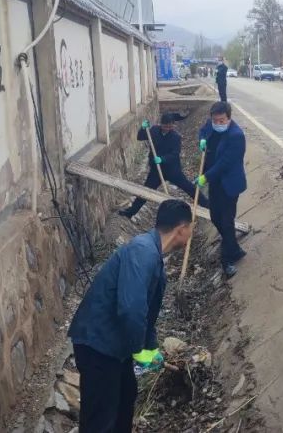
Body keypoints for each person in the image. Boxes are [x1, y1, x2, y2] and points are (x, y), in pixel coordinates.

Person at [69, 199, 193, 432]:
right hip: (98, 343)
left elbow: (147, 311)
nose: (191, 235)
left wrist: (151, 348)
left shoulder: (153, 255)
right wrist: (139, 350)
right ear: (181, 229)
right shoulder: (142, 252)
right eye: (191, 229)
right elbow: (132, 308)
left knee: (125, 399)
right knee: (101, 418)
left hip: (115, 345)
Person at [119, 113, 208, 219]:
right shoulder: (154, 130)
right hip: (156, 170)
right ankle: (131, 212)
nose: (167, 128)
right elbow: (140, 137)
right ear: (161, 124)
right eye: (165, 126)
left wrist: (162, 159)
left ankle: (208, 206)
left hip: (173, 170)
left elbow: (175, 154)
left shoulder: (175, 137)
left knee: (189, 187)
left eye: (170, 126)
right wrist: (143, 128)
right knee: (146, 191)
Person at [196, 102, 248, 277]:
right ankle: (235, 249)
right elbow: (203, 130)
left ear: (229, 118)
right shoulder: (212, 124)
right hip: (215, 183)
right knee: (214, 217)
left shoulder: (236, 136)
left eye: (221, 120)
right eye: (215, 120)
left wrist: (205, 177)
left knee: (226, 222)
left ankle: (227, 262)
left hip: (229, 184)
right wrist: (202, 138)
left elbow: (225, 164)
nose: (218, 124)